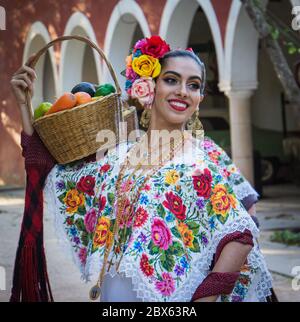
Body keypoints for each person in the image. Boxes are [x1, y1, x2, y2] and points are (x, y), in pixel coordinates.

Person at [10, 35, 274, 302]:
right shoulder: (117, 157)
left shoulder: (197, 162)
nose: (183, 91)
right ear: (149, 87)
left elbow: (240, 235)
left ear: (199, 98)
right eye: (171, 80)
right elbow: (50, 169)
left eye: (193, 85)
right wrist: (24, 105)